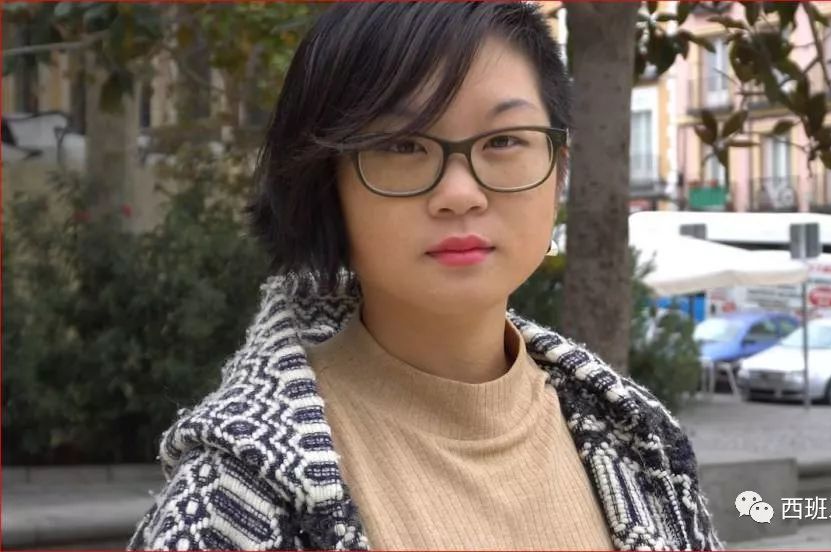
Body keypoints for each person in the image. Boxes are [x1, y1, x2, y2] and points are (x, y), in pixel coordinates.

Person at [128, 3, 721, 550]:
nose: (460, 193)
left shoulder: (642, 441)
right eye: (402, 145)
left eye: (504, 140)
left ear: (558, 171)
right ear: (326, 183)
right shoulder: (229, 498)